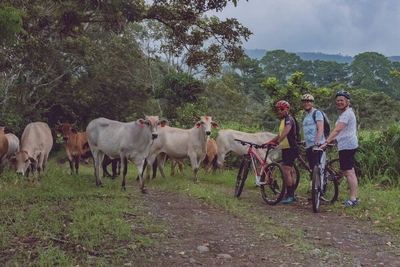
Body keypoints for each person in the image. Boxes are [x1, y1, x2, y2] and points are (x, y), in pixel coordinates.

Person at [320, 90, 359, 207]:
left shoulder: (347, 114)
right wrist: (334, 140)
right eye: (337, 101)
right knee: (349, 171)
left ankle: (353, 199)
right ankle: (354, 197)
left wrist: (326, 142)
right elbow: (344, 132)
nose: (339, 102)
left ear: (347, 101)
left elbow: (337, 130)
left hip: (347, 146)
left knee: (349, 172)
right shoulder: (345, 114)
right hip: (345, 144)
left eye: (342, 100)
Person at [266, 100, 298, 204]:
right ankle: (292, 194)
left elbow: (286, 132)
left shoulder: (289, 119)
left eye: (282, 109)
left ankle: (289, 194)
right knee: (290, 171)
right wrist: (269, 142)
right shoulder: (283, 121)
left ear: (287, 109)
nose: (279, 111)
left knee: (286, 171)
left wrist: (277, 143)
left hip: (291, 148)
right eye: (278, 109)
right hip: (286, 148)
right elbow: (280, 135)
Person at [301, 94, 326, 177]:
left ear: (312, 103)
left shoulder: (317, 113)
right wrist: (306, 140)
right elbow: (310, 130)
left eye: (308, 102)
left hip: (317, 145)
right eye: (304, 102)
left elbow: (320, 129)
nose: (306, 104)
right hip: (309, 145)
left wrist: (316, 143)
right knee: (312, 168)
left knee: (317, 168)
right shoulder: (307, 115)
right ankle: (315, 187)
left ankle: (320, 188)